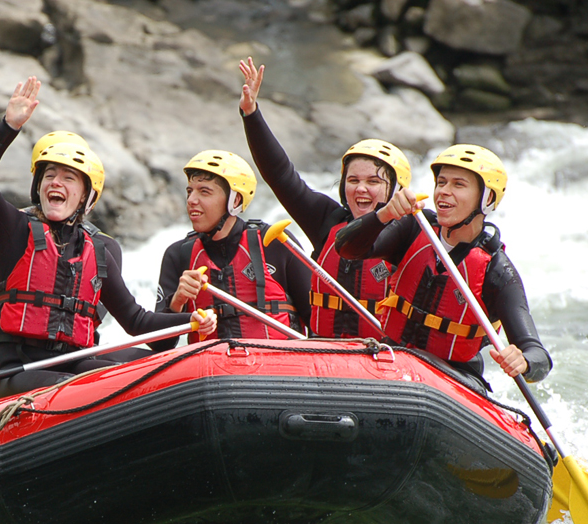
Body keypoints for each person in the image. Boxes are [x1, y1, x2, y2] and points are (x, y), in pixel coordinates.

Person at [0, 76, 216, 399]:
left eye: (69, 178)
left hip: (72, 363)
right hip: (19, 370)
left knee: (149, 364)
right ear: (38, 187)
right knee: (78, 389)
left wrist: (190, 319)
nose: (56, 183)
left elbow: (137, 321)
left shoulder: (96, 252)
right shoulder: (14, 230)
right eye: (49, 176)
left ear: (85, 198)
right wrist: (9, 126)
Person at [335, 144, 552, 388]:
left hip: (454, 380)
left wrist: (523, 361)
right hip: (392, 360)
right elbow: (347, 249)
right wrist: (383, 215)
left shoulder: (497, 270)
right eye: (441, 182)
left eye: (458, 184)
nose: (443, 192)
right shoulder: (413, 228)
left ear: (487, 198)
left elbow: (539, 355)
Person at [238, 57, 410, 340]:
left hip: (385, 358)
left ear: (396, 189)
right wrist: (251, 113)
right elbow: (280, 176)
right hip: (324, 353)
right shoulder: (326, 220)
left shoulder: (410, 233)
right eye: (353, 181)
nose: (361, 189)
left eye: (373, 182)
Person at [155, 149, 311, 345]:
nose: (191, 200)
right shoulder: (178, 254)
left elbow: (317, 322)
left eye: (204, 192)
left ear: (235, 200)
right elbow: (159, 346)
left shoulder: (274, 242)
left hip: (276, 368)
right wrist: (177, 302)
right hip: (212, 371)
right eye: (189, 191)